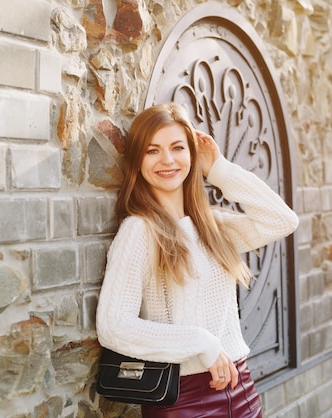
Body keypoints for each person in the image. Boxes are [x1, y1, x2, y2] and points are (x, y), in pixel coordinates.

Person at [96, 103, 299, 417]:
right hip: (183, 399)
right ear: (138, 160)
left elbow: (282, 220)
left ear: (191, 154)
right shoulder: (139, 230)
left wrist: (218, 168)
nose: (167, 160)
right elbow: (114, 326)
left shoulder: (211, 226)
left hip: (241, 388)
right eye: (153, 151)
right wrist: (202, 344)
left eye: (178, 147)